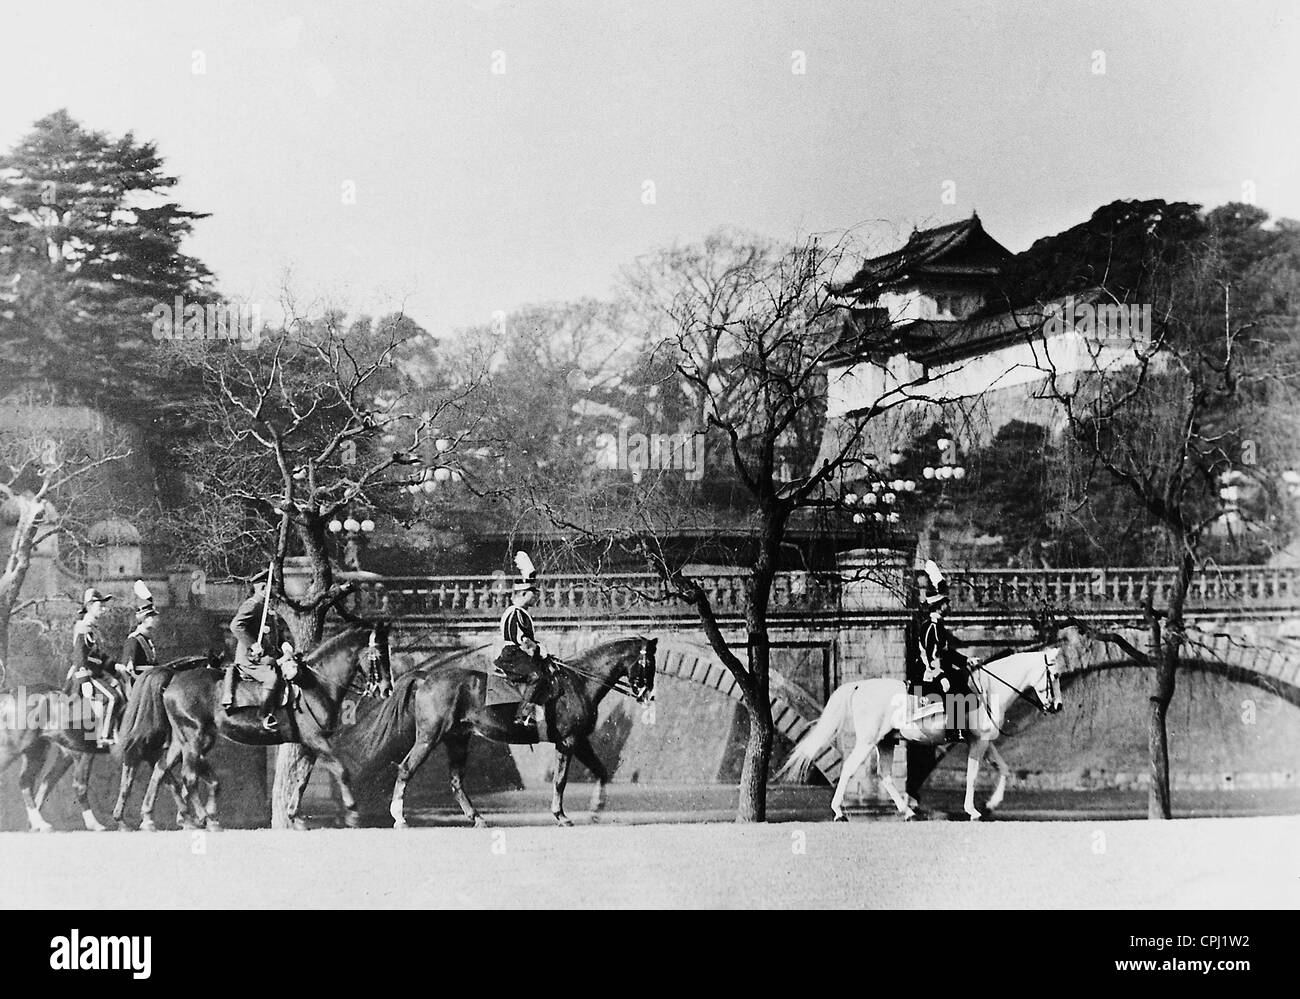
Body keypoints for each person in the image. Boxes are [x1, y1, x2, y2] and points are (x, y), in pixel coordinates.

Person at [918, 560, 977, 742]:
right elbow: (930, 656)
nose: (949, 606)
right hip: (929, 672)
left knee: (961, 678)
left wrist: (966, 661)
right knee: (953, 684)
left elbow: (947, 653)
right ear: (940, 605)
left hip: (938, 668)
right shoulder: (931, 627)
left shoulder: (939, 626)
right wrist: (940, 675)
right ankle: (954, 730)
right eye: (947, 603)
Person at [227, 572, 294, 730]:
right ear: (264, 587)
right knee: (271, 678)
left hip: (269, 657)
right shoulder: (253, 605)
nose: (275, 590)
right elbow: (235, 626)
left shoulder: (268, 609)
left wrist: (286, 648)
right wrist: (252, 645)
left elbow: (277, 636)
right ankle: (263, 717)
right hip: (250, 660)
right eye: (273, 587)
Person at [493, 551, 551, 729]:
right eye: (534, 593)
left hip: (518, 653)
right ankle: (523, 714)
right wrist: (540, 650)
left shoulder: (520, 612)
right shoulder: (515, 612)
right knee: (537, 676)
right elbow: (523, 640)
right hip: (513, 654)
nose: (537, 597)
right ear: (525, 593)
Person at [67, 588, 123, 747]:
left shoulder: (92, 628)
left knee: (120, 689)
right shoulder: (82, 628)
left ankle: (116, 731)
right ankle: (103, 736)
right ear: (90, 606)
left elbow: (99, 657)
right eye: (100, 606)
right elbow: (79, 657)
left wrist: (115, 666)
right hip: (87, 675)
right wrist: (85, 681)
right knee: (112, 698)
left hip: (97, 673)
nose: (104, 609)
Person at [118, 580, 160, 683]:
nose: (155, 619)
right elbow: (126, 671)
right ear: (144, 618)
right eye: (152, 616)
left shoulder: (147, 638)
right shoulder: (134, 639)